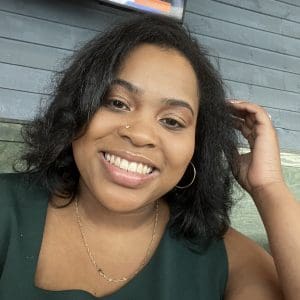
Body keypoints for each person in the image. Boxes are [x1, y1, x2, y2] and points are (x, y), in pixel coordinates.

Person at [0, 14, 299, 300]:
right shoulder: (6, 207)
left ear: (197, 146)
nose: (140, 135)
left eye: (172, 121)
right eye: (117, 103)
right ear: (78, 109)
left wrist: (269, 187)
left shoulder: (227, 259)